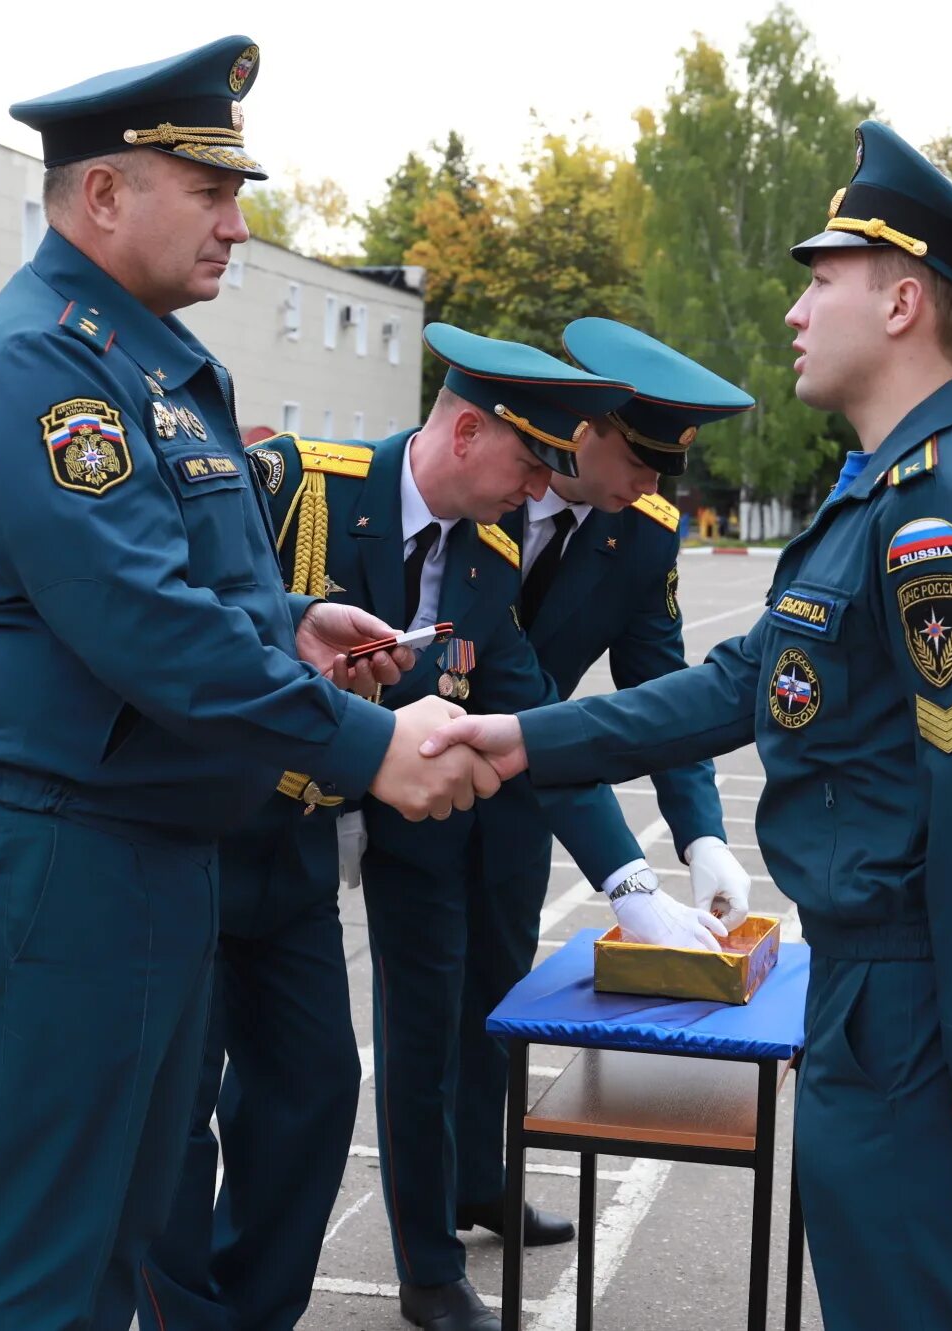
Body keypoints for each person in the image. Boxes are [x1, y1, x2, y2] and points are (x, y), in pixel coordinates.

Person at [423, 120, 952, 1331]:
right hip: (875, 989)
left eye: (819, 281)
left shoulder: (937, 515)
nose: (793, 310)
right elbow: (742, 682)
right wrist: (523, 740)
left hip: (918, 1003)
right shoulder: (876, 496)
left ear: (900, 304)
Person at [0, 36, 498, 1331]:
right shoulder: (45, 370)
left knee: (119, 1240)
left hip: (151, 850)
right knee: (44, 1266)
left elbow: (173, 587)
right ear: (104, 196)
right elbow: (147, 628)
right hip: (63, 857)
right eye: (210, 191)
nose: (238, 223)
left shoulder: (150, 357)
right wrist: (367, 746)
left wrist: (290, 619)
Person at [217, 325, 719, 1331]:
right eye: (531, 459)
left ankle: (311, 1287)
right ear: (464, 435)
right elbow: (177, 609)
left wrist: (635, 880)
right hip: (220, 824)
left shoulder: (487, 558)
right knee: (171, 1106)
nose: (540, 487)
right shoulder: (292, 483)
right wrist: (294, 624)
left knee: (321, 1081)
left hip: (405, 822)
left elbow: (531, 716)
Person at [447, 316, 758, 1256]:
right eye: (641, 458)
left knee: (493, 1004)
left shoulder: (642, 536)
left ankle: (480, 1181)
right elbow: (525, 694)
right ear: (585, 430)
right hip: (421, 775)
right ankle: (425, 1237)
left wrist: (703, 836)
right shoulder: (488, 498)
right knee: (422, 1008)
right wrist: (626, 879)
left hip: (523, 800)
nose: (653, 486)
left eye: (667, 468)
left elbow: (664, 698)